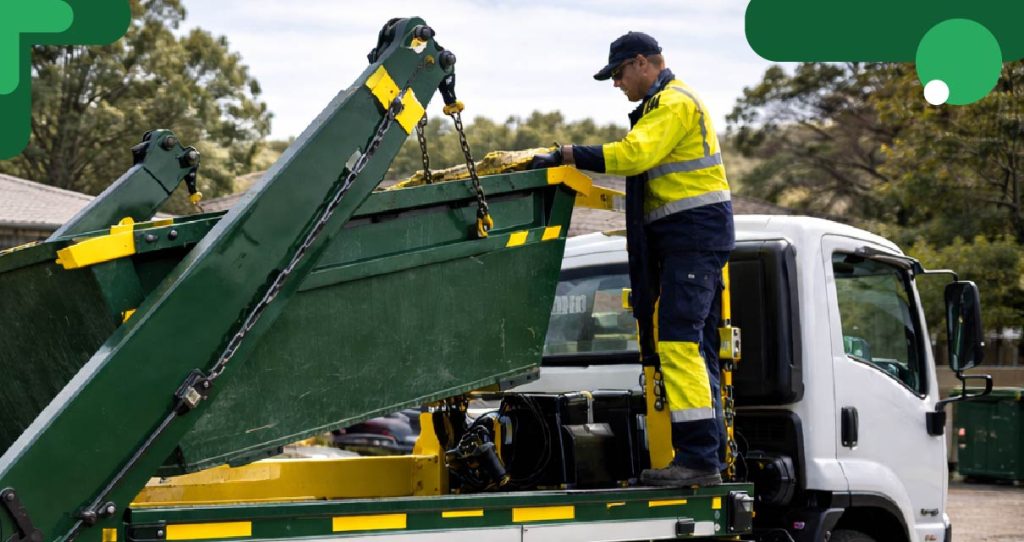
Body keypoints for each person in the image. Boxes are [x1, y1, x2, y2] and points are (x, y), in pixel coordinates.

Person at [530, 32, 734, 487]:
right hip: (689, 240)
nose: (616, 83)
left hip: (692, 239)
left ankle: (699, 460)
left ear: (643, 63)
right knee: (695, 350)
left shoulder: (674, 103)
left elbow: (634, 155)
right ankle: (705, 456)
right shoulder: (664, 104)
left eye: (619, 73)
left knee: (678, 345)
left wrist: (568, 154)